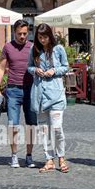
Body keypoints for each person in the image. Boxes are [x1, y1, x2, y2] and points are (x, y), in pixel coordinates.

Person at [0, 19, 37, 168]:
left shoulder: (32, 47)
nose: (22, 36)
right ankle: (14, 156)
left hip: (30, 90)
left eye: (25, 33)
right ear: (14, 32)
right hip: (13, 90)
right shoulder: (8, 47)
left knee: (31, 124)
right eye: (19, 34)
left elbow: (39, 66)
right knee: (13, 124)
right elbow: (1, 68)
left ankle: (29, 156)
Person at [27, 23, 69, 173]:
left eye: (45, 37)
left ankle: (61, 157)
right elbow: (29, 67)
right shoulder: (34, 50)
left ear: (50, 36)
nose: (43, 40)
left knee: (57, 128)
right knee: (44, 130)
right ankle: (49, 159)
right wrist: (35, 70)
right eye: (40, 37)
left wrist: (54, 70)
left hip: (56, 95)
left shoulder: (58, 49)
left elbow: (66, 67)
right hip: (39, 95)